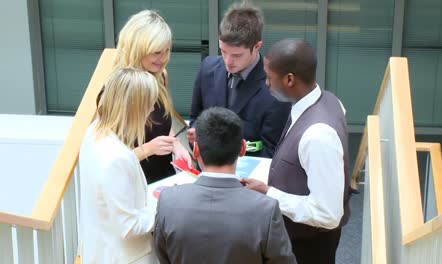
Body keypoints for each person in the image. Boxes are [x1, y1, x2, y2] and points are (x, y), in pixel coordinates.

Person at [241, 39, 351, 264]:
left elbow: (328, 214)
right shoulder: (331, 100)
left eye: (269, 78)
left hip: (308, 247)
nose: (266, 84)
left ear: (289, 79)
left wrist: (269, 193)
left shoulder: (318, 135)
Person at [154, 107, 296, 264]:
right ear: (242, 149)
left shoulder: (168, 201)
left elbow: (163, 256)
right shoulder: (266, 210)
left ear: (195, 150)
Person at [187, 1, 290, 158]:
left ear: (257, 46)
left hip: (248, 177)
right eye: (223, 51)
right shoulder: (207, 68)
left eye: (236, 55)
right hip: (206, 172)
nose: (228, 61)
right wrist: (196, 136)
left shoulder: (276, 89)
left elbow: (272, 151)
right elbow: (195, 118)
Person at [79, 68, 159, 263]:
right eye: (149, 104)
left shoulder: (93, 133)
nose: (151, 110)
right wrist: (164, 208)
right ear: (136, 107)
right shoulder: (117, 158)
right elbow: (128, 226)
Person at [104, 10, 191, 184]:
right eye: (157, 52)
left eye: (167, 51)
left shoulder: (160, 76)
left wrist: (176, 144)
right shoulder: (117, 90)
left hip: (164, 175)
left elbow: (163, 121)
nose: (163, 58)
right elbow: (110, 158)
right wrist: (148, 149)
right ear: (137, 49)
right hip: (134, 180)